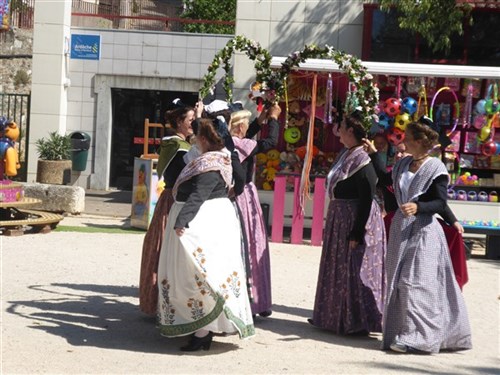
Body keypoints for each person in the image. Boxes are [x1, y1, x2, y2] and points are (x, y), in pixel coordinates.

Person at [157, 118, 254, 351]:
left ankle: (203, 332)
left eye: (195, 136)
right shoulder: (221, 156)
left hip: (202, 221)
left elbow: (198, 195)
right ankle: (201, 328)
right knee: (197, 273)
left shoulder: (210, 163)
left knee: (200, 273)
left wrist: (182, 220)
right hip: (210, 216)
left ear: (202, 139)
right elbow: (239, 181)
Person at [376, 120, 472, 354]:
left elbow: (439, 202)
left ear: (419, 141)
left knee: (416, 283)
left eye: (407, 137)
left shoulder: (435, 168)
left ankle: (420, 339)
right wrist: (373, 154)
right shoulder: (402, 164)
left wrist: (420, 208)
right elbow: (384, 182)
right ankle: (404, 333)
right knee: (399, 283)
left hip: (424, 232)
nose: (402, 141)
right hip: (401, 229)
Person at [308, 110, 386, 335]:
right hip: (340, 217)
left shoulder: (363, 159)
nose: (337, 129)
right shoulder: (348, 152)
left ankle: (358, 321)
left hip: (353, 219)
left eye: (341, 125)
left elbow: (367, 195)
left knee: (354, 269)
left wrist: (356, 232)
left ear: (351, 130)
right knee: (338, 268)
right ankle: (333, 315)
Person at [363, 136, 469, 290]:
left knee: (412, 272)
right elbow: (383, 178)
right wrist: (373, 153)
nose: (399, 156)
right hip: (395, 224)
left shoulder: (424, 173)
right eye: (397, 153)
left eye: (403, 152)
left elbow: (439, 202)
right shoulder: (397, 172)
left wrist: (453, 221)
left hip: (416, 226)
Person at [138, 101, 201, 316]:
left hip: (176, 200)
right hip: (173, 202)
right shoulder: (175, 146)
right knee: (165, 251)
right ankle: (159, 304)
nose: (194, 123)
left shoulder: (182, 144)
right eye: (191, 120)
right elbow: (190, 168)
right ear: (178, 122)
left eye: (195, 120)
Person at [230, 104, 281, 317]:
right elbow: (269, 143)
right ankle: (254, 299)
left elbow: (247, 138)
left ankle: (252, 298)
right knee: (252, 244)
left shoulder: (228, 142)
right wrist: (275, 119)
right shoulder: (239, 144)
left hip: (236, 195)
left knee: (249, 244)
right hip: (243, 196)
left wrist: (260, 121)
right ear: (240, 127)